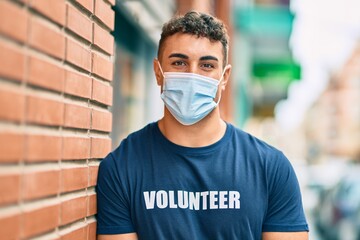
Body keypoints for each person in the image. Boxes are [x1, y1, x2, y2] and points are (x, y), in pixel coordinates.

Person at [96, 11, 309, 240]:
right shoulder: (121, 167)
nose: (192, 75)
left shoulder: (271, 169)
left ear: (224, 77)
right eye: (179, 62)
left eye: (207, 65)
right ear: (158, 73)